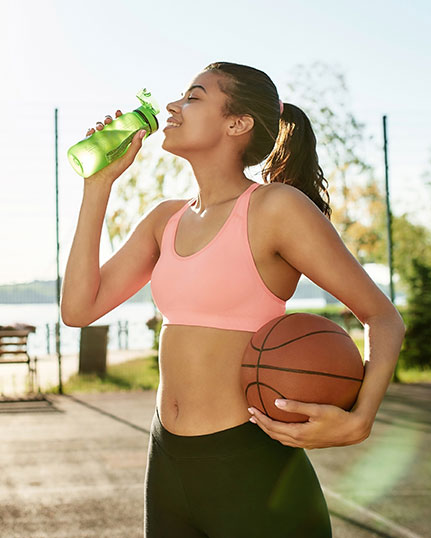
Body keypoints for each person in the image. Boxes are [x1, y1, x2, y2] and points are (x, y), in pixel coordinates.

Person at [61, 61, 406, 538]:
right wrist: (97, 186)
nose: (172, 107)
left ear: (237, 123)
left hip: (251, 466)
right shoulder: (166, 219)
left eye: (194, 97)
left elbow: (382, 316)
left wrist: (360, 419)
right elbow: (79, 309)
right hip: (167, 461)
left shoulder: (275, 208)